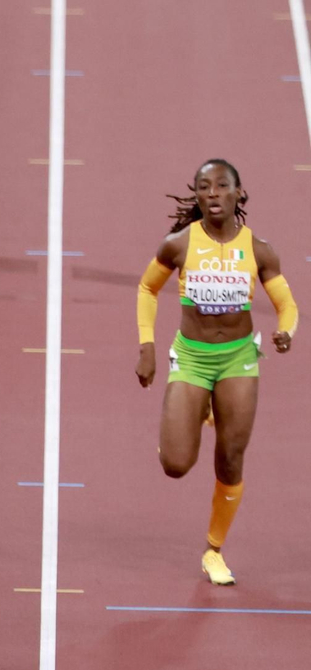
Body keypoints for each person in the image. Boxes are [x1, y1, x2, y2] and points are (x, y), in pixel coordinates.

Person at [135, 158, 296, 585]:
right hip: (191, 357)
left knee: (230, 457)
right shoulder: (178, 244)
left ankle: (213, 550)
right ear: (196, 195)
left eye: (221, 186)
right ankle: (195, 412)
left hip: (238, 359)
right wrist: (147, 346)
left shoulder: (259, 250)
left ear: (238, 193)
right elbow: (148, 287)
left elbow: (287, 303)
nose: (212, 193)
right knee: (175, 464)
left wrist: (285, 331)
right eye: (203, 187)